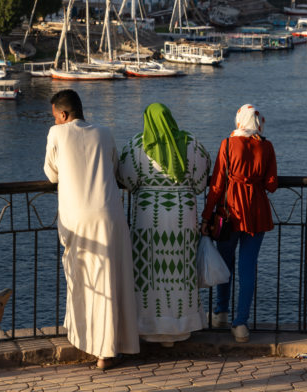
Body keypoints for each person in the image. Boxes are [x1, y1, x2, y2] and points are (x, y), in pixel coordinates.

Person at [44, 89, 139, 369]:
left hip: (78, 218)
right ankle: (107, 351)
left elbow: (51, 174)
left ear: (63, 114)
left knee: (85, 281)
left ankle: (88, 341)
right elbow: (115, 168)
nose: (56, 121)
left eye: (55, 117)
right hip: (109, 214)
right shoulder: (105, 133)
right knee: (112, 280)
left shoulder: (57, 133)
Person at [118, 102, 210, 347]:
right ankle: (180, 328)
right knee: (180, 270)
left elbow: (125, 179)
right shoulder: (192, 143)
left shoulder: (136, 145)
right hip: (183, 215)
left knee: (147, 272)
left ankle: (148, 328)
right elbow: (201, 183)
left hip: (147, 216)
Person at [201, 104, 277, 343]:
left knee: (225, 264)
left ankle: (220, 313)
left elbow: (216, 186)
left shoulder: (227, 144)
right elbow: (272, 184)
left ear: (239, 121)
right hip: (257, 214)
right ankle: (241, 324)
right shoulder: (266, 146)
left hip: (230, 213)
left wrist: (206, 217)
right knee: (248, 268)